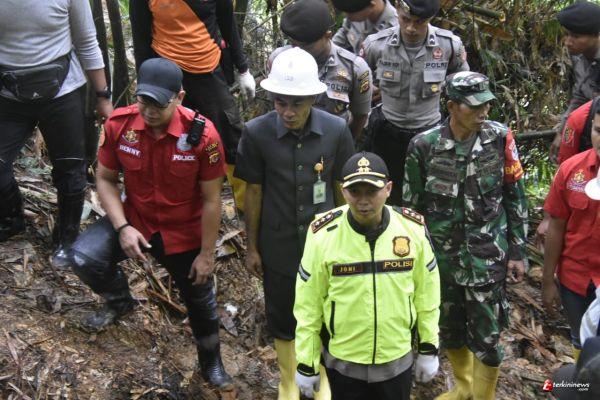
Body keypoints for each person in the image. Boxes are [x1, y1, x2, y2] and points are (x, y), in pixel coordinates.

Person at [66, 58, 233, 391]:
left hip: (183, 231)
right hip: (136, 218)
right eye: (143, 100)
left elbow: (212, 200)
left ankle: (211, 362)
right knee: (84, 258)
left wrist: (206, 254)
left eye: (159, 103)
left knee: (200, 301)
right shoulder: (119, 124)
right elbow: (105, 178)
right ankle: (119, 300)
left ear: (179, 97)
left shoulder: (203, 136)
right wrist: (122, 227)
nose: (149, 110)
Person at [234, 47, 355, 400]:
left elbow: (341, 187)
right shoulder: (256, 133)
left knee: (328, 313)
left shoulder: (336, 130)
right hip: (280, 244)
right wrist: (252, 247)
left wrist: (349, 239)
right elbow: (253, 192)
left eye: (296, 104)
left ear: (313, 98)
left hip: (326, 245)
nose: (287, 112)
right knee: (284, 315)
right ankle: (289, 380)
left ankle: (322, 379)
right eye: (280, 102)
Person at [403, 71, 528, 400]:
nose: (483, 111)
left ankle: (483, 395)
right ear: (451, 106)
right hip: (442, 262)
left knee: (489, 339)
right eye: (474, 106)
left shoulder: (500, 138)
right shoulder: (424, 146)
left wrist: (518, 252)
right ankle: (464, 387)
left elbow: (515, 196)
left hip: (487, 259)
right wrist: (415, 262)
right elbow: (412, 210)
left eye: (486, 104)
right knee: (451, 331)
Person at [294, 151, 440, 400]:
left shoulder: (412, 229)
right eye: (355, 191)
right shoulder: (323, 234)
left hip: (396, 360)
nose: (363, 201)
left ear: (388, 189)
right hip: (344, 364)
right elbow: (308, 304)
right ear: (343, 191)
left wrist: (429, 347)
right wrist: (306, 362)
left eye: (372, 191)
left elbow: (427, 294)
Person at [0, 0, 112, 267]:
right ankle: (11, 217)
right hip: (8, 93)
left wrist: (103, 96)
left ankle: (67, 238)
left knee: (71, 170)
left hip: (63, 91)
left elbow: (87, 41)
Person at [129, 0, 255, 212]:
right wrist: (146, 85)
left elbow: (227, 23)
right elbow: (141, 37)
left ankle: (247, 210)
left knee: (231, 136)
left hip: (208, 66)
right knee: (169, 139)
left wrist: (243, 69)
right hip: (166, 72)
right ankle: (174, 208)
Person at [361, 0, 469, 205]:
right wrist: (370, 92)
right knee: (387, 196)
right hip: (387, 134)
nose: (411, 28)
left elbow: (463, 84)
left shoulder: (449, 45)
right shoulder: (376, 45)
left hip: (431, 134)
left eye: (419, 22)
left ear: (431, 18)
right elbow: (360, 81)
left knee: (433, 197)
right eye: (405, 19)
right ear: (397, 11)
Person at [542, 103, 600, 361]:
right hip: (574, 280)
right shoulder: (571, 170)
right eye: (598, 131)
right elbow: (556, 226)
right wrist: (547, 281)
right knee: (580, 340)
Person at [269, 0, 373, 141]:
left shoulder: (355, 68)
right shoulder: (278, 60)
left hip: (331, 142)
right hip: (287, 140)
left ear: (327, 35)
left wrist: (345, 145)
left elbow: (360, 116)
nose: (299, 51)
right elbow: (275, 104)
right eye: (293, 44)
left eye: (306, 46)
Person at [549, 1, 600, 162]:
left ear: (596, 35)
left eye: (576, 36)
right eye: (568, 34)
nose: (568, 41)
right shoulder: (581, 59)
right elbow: (579, 98)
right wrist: (563, 133)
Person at [331, 0, 398, 55]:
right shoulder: (358, 7)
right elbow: (342, 36)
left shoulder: (395, 29)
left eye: (351, 13)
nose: (347, 16)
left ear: (372, 5)